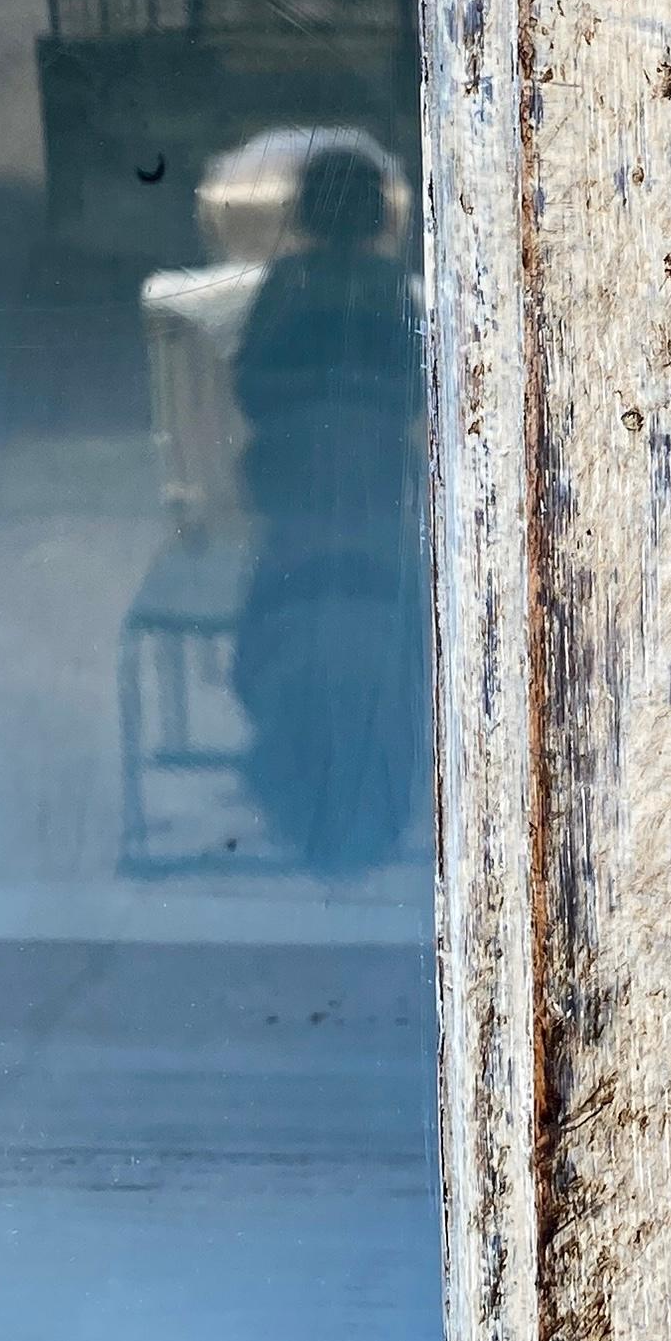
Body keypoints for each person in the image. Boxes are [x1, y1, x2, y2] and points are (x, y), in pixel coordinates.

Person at [231, 138, 428, 874]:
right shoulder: (385, 286)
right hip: (366, 495)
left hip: (302, 499)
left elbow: (250, 389)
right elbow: (411, 390)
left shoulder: (290, 281)